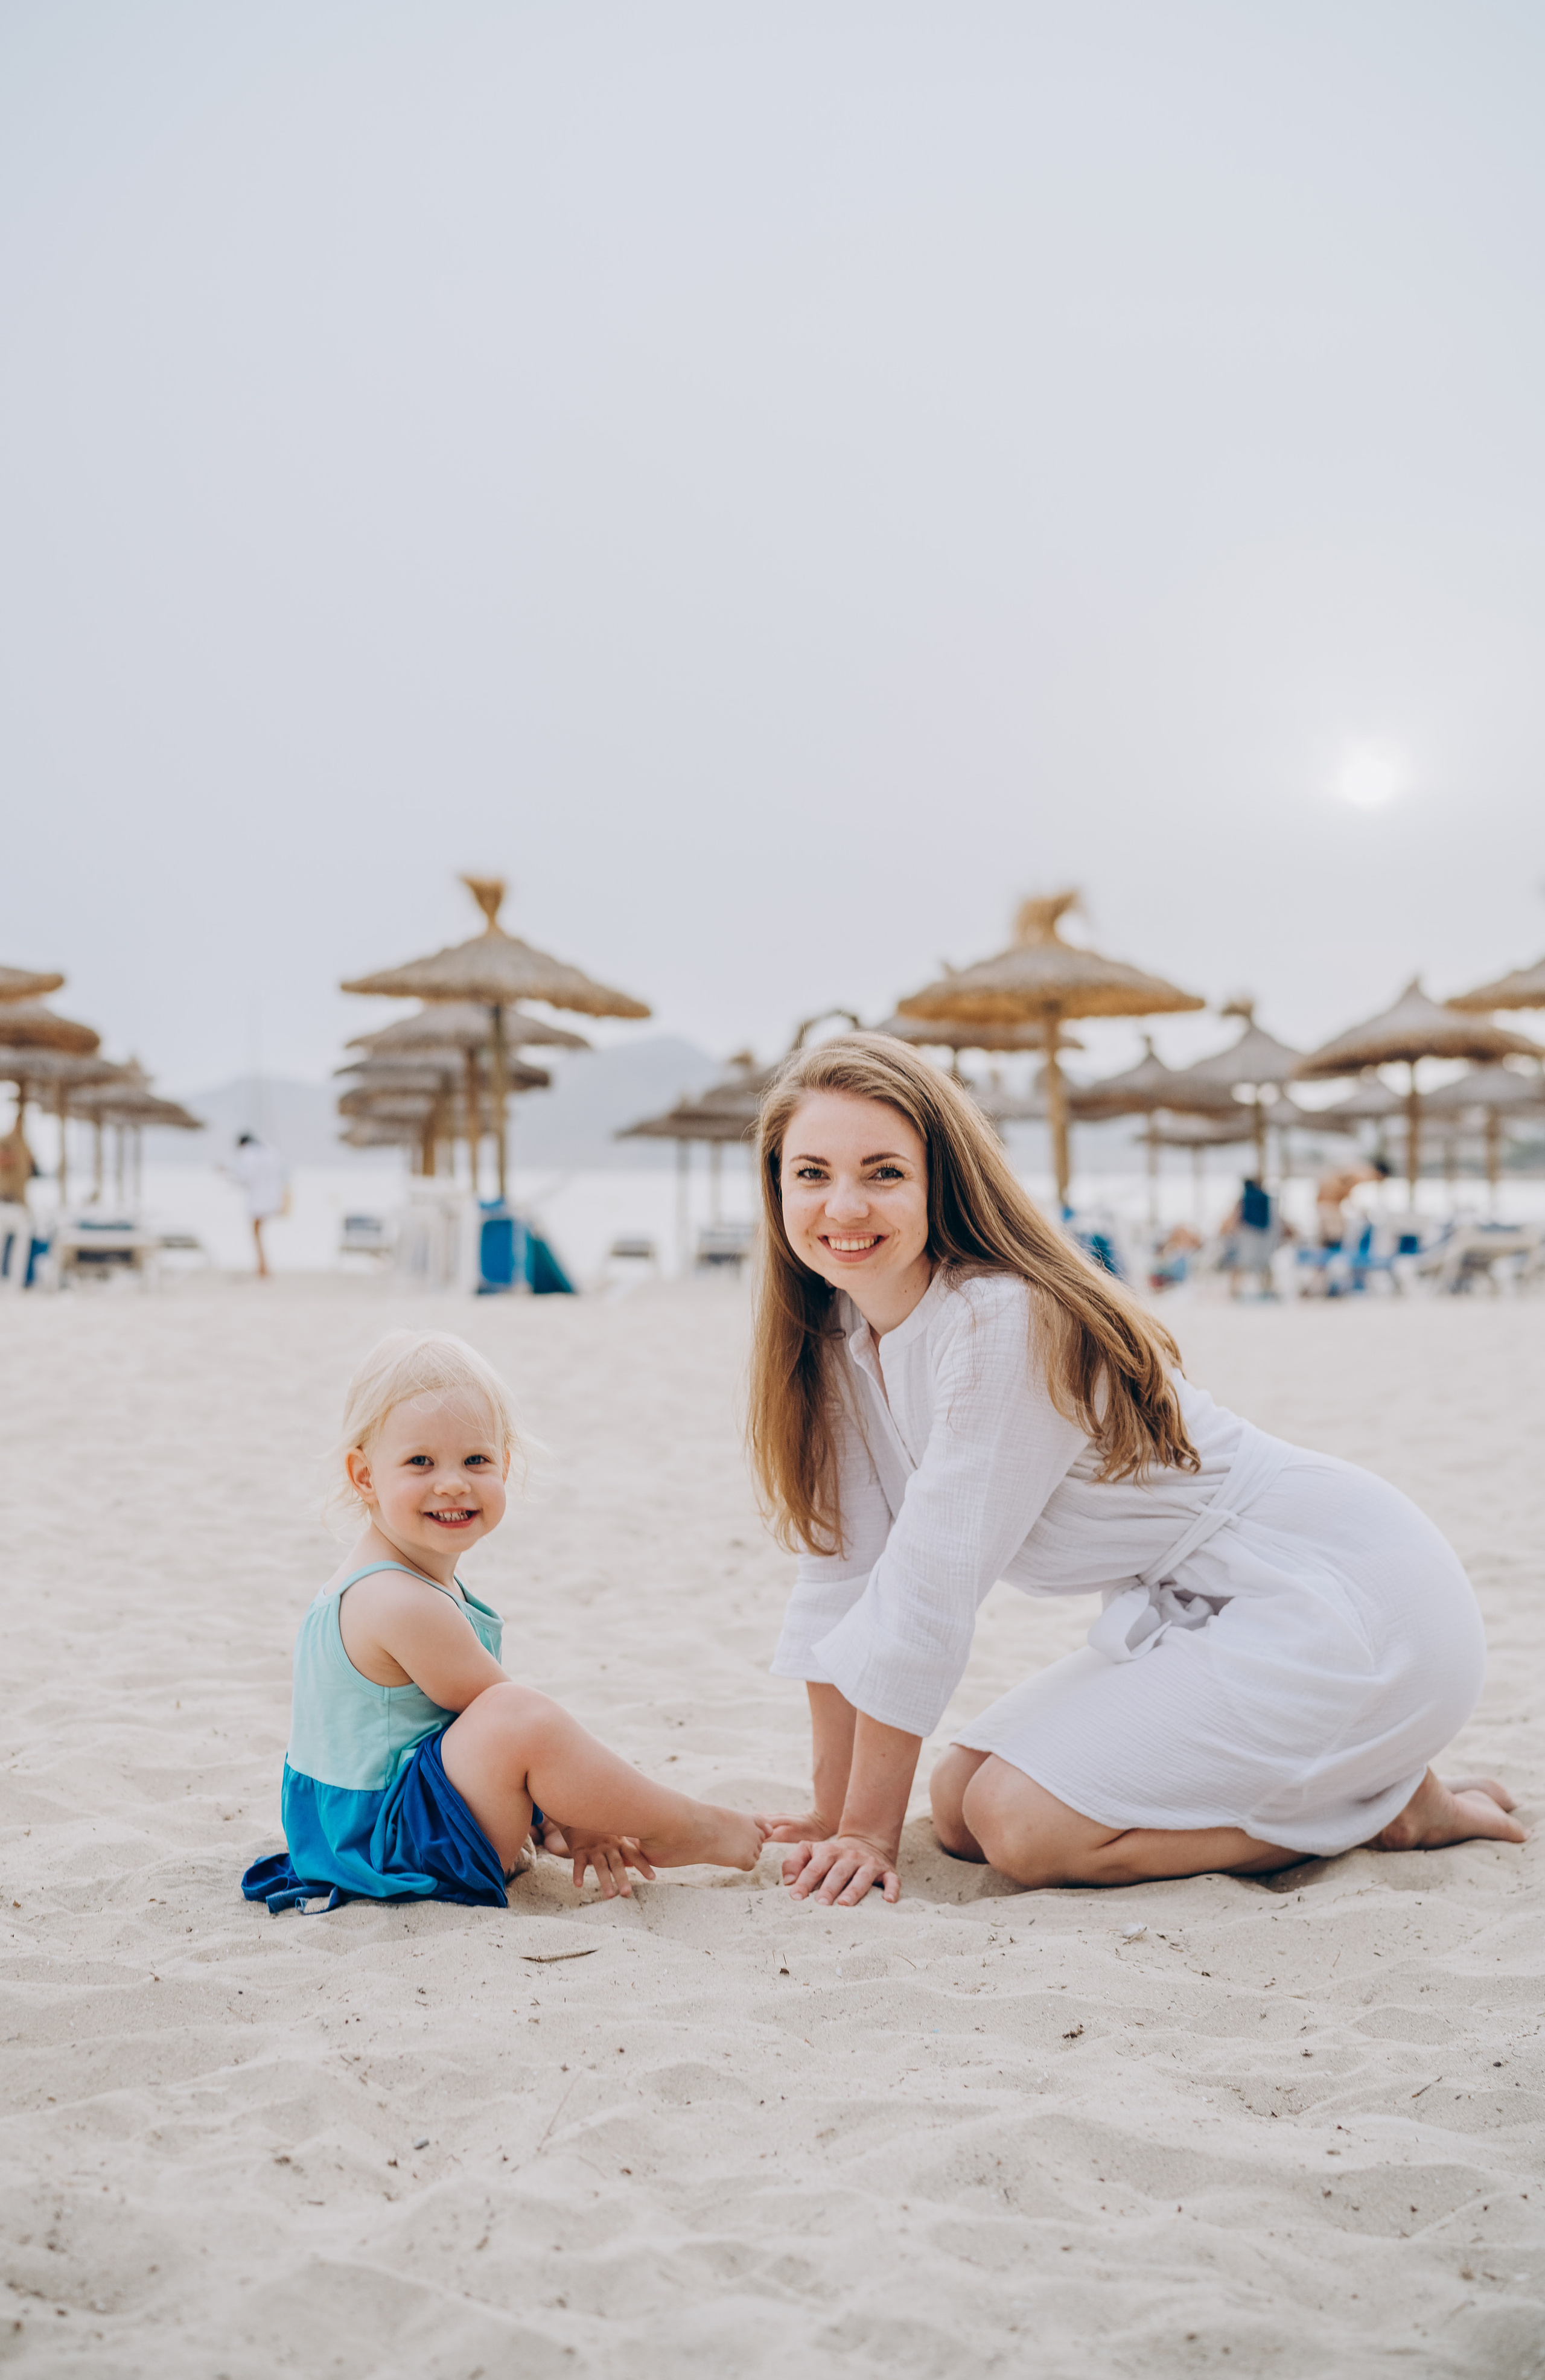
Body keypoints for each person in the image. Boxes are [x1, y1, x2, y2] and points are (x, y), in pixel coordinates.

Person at [748, 1036, 1523, 1909]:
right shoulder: (844, 1338)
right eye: (811, 1172)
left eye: (883, 1172)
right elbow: (843, 1573)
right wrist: (831, 1810)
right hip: (1203, 1608)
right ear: (777, 1188)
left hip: (1350, 1595)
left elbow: (928, 1588)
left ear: (943, 1182)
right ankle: (1367, 1789)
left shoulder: (1001, 1319)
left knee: (1021, 1827)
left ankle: (1380, 1807)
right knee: (959, 1807)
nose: (842, 1203)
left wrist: (866, 1833)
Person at [243, 1330, 765, 1913]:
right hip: (381, 1845)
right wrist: (585, 1821)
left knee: (510, 1716)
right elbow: (509, 1724)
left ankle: (603, 1818)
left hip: (363, 1824)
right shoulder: (397, 1599)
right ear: (365, 1476)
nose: (453, 1481)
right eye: (420, 1461)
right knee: (520, 1712)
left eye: (476, 1459)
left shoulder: (397, 1573)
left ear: (505, 1467)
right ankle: (682, 1823)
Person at [229, 1131, 287, 1277]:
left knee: (256, 1233)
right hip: (271, 1199)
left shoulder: (249, 1155)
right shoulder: (270, 1151)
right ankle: (262, 1266)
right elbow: (282, 1173)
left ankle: (263, 1267)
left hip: (259, 1201)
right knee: (258, 1233)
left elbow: (245, 1177)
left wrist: (228, 1174)